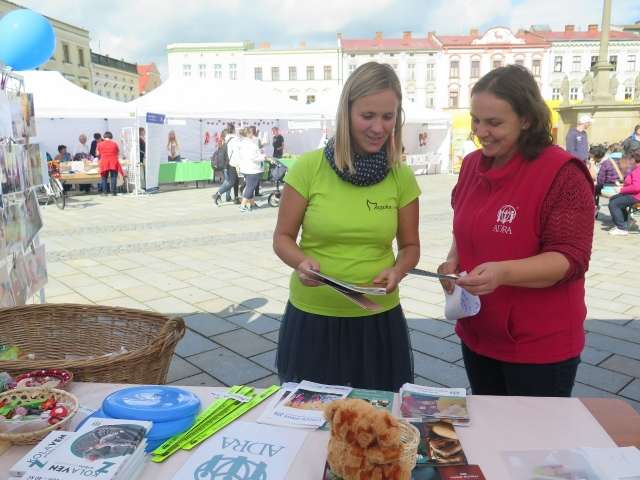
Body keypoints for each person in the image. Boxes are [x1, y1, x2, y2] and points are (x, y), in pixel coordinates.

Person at [438, 65, 594, 397]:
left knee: (533, 431)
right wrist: (453, 260)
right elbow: (465, 225)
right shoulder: (472, 165)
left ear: (526, 119)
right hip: (479, 332)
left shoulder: (563, 173)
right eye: (476, 120)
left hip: (539, 345)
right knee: (488, 424)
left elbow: (570, 259)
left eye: (494, 123)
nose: (481, 131)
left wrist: (503, 273)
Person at [273, 62, 421, 391]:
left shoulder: (401, 176)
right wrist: (301, 261)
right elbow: (282, 238)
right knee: (313, 414)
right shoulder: (308, 168)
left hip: (377, 319)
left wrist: (398, 270)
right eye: (367, 116)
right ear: (346, 112)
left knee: (374, 414)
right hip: (314, 315)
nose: (378, 127)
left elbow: (411, 247)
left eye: (388, 117)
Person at [607, 149, 640, 236]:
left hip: (637, 196)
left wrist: (621, 190)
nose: (628, 161)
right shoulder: (636, 168)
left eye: (630, 159)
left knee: (614, 204)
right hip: (634, 194)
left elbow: (636, 187)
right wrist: (622, 186)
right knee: (613, 199)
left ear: (634, 160)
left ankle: (621, 228)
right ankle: (624, 223)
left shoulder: (638, 170)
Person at [235, 128, 265, 212]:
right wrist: (263, 157)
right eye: (251, 133)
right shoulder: (251, 144)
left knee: (249, 186)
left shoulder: (241, 143)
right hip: (253, 169)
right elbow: (254, 157)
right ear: (248, 134)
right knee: (250, 187)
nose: (253, 134)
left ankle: (252, 204)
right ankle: (242, 205)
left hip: (245, 168)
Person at [96, 131, 125, 196]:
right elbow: (118, 152)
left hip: (104, 161)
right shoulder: (114, 144)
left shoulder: (99, 144)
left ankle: (105, 192)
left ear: (104, 137)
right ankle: (113, 192)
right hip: (113, 161)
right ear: (111, 137)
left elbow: (97, 154)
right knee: (113, 177)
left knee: (104, 177)